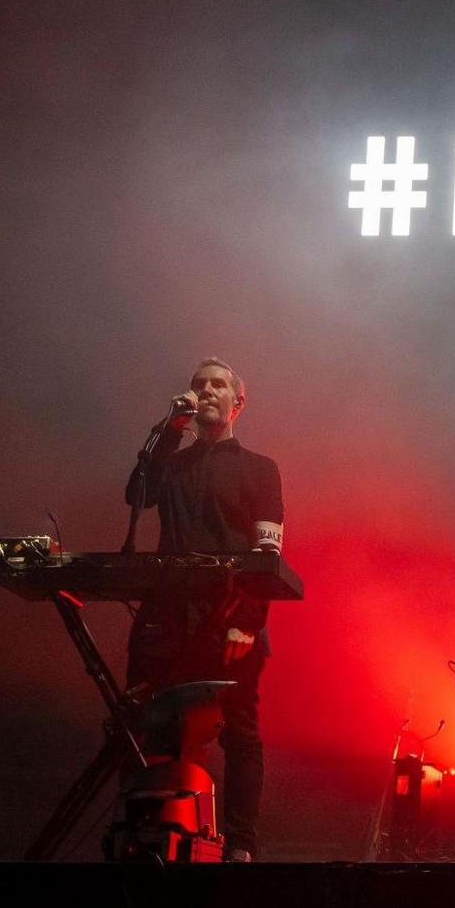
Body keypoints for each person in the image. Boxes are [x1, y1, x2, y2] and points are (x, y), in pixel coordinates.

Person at [124, 357, 284, 861]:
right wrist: (167, 431)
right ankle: (150, 838)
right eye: (199, 385)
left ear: (239, 400)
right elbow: (136, 494)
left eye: (217, 384)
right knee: (147, 725)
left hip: (229, 618)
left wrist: (248, 619)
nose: (206, 391)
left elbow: (268, 553)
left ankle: (240, 847)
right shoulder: (170, 463)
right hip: (167, 619)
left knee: (239, 731)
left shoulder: (260, 469)